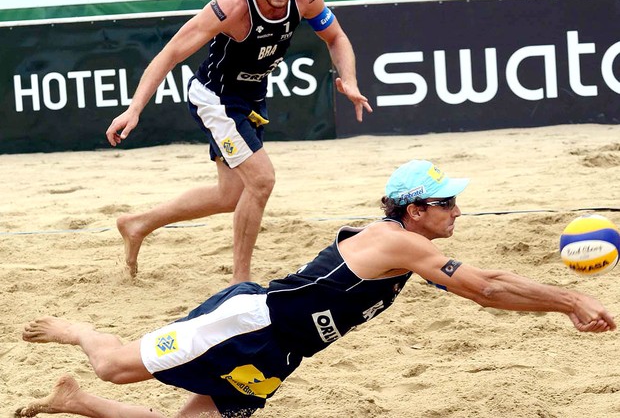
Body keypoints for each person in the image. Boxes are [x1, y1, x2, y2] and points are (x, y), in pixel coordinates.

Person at [15, 160, 615, 418]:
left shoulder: (411, 246)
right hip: (248, 323)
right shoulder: (399, 243)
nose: (456, 210)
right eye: (445, 202)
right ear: (411, 211)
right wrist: (572, 300)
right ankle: (80, 333)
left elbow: (488, 289)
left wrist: (562, 303)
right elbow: (488, 287)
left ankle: (78, 403)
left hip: (283, 354)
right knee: (117, 366)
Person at [104, 0, 372, 283]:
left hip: (251, 97)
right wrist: (134, 108)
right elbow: (171, 53)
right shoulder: (231, 7)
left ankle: (138, 223)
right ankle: (240, 283)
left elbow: (336, 37)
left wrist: (349, 79)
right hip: (215, 98)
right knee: (261, 181)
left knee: (231, 195)